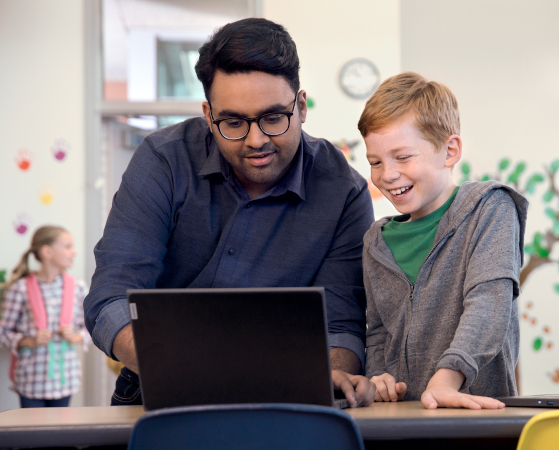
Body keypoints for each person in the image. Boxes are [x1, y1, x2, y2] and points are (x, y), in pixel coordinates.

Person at [84, 18, 376, 407]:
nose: (256, 140)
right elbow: (111, 296)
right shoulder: (164, 160)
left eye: (273, 118)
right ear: (208, 115)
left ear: (301, 106)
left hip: (290, 395)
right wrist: (189, 369)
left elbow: (340, 324)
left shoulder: (344, 192)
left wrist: (333, 373)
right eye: (234, 122)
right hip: (160, 384)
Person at [358, 72, 527, 409]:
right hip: (400, 422)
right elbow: (377, 332)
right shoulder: (376, 243)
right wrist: (378, 377)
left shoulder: (490, 208)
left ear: (449, 151)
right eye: (375, 162)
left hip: (477, 417)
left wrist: (447, 379)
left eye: (403, 157)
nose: (387, 174)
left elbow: (489, 304)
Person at [0, 225, 89, 408]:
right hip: (31, 380)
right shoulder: (20, 289)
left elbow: (90, 329)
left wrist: (75, 336)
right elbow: (3, 332)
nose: (74, 252)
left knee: (60, 426)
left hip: (66, 380)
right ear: (47, 251)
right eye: (68, 246)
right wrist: (29, 340)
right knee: (32, 426)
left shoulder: (78, 288)